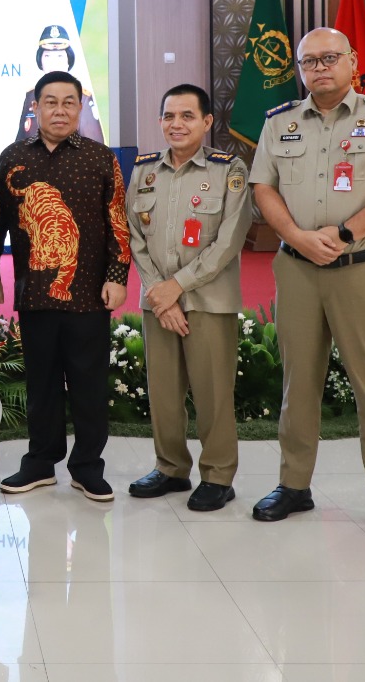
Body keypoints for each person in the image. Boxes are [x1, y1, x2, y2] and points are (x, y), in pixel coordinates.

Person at [249, 27, 365, 542]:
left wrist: (345, 233)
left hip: (360, 267)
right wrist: (296, 237)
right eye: (309, 61)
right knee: (298, 382)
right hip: (297, 268)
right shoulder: (279, 122)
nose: (319, 68)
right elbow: (263, 188)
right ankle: (294, 486)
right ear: (300, 70)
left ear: (352, 60)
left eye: (329, 58)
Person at [0, 70, 131, 502]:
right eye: (51, 102)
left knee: (89, 384)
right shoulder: (13, 156)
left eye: (69, 102)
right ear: (36, 107)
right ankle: (40, 462)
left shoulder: (100, 158)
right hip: (35, 292)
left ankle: (87, 467)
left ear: (80, 108)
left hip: (89, 292)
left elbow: (117, 223)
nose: (60, 110)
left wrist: (117, 277)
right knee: (41, 384)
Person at [125, 84, 251, 512]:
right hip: (159, 302)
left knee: (213, 392)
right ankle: (171, 468)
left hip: (208, 300)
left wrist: (176, 287)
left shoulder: (228, 170)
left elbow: (229, 240)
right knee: (163, 392)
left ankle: (217, 476)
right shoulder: (144, 170)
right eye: (169, 116)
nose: (176, 124)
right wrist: (160, 294)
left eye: (187, 116)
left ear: (207, 121)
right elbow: (135, 236)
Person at [14, 25, 106, 142]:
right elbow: (20, 143)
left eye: (59, 56)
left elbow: (95, 147)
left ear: (68, 61)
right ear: (40, 60)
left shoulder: (83, 97)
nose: (53, 62)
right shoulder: (31, 96)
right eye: (47, 56)